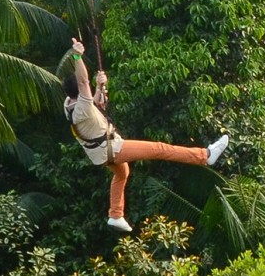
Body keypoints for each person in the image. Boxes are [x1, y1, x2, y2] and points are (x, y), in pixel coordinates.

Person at [63, 38, 230, 232]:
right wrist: (77, 56)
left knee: (122, 173)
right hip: (112, 149)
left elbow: (91, 101)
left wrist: (99, 89)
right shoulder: (82, 105)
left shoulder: (69, 104)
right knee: (160, 149)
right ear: (80, 91)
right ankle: (205, 156)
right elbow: (83, 83)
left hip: (101, 154)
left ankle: (115, 215)